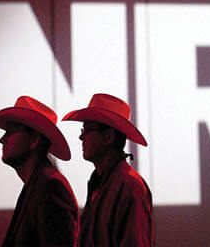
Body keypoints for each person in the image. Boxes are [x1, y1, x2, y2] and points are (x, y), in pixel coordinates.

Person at [0, 96, 79, 247]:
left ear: (34, 140)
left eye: (10, 132)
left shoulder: (50, 186)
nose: (2, 139)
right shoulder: (38, 184)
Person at [62, 93, 153, 246]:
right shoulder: (101, 182)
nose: (81, 137)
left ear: (109, 137)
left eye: (86, 130)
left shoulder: (130, 186)